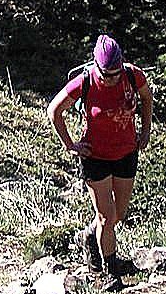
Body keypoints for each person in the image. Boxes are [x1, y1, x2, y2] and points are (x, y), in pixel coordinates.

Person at [48, 33, 153, 279]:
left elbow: (147, 98)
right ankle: (110, 270)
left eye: (115, 74)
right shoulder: (84, 82)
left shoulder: (133, 76)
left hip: (126, 152)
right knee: (106, 216)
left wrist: (145, 130)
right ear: (97, 67)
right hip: (95, 157)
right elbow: (54, 111)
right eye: (107, 75)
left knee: (119, 213)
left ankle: (89, 236)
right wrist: (70, 145)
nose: (111, 79)